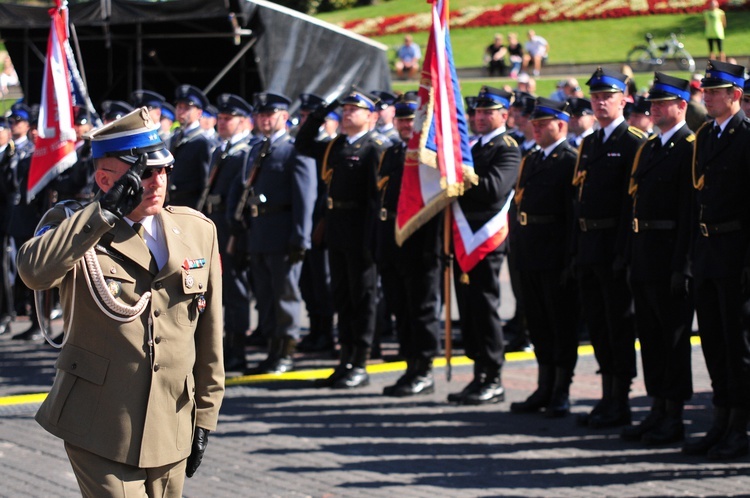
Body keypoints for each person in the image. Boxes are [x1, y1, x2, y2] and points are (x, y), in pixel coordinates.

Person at [16, 107, 225, 497]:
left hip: (172, 419)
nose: (157, 181)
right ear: (105, 178)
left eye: (163, 170)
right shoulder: (76, 226)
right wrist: (103, 212)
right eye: (144, 173)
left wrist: (206, 416)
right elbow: (34, 272)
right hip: (100, 421)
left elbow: (209, 333)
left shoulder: (196, 229)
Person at [295, 90, 389, 389]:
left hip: (362, 227)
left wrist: (373, 237)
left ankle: (360, 359)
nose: (347, 114)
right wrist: (324, 110)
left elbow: (377, 197)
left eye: (354, 109)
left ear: (370, 116)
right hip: (336, 226)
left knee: (362, 297)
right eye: (345, 109)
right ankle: (345, 358)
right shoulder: (336, 144)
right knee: (342, 295)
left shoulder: (376, 146)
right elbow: (303, 142)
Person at [620, 73, 695, 446]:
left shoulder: (688, 146)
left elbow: (688, 212)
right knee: (649, 336)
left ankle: (675, 415)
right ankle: (657, 407)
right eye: (652, 102)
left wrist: (682, 265)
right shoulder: (649, 147)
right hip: (645, 253)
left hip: (669, 256)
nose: (654, 107)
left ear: (682, 105)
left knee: (673, 338)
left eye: (663, 102)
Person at [682, 60, 750, 460]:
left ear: (735, 96)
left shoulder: (745, 137)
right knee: (713, 341)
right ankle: (721, 420)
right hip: (708, 253)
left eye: (714, 92)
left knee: (738, 344)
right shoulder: (706, 135)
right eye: (705, 91)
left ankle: (740, 426)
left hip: (736, 253)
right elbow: (697, 200)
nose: (706, 97)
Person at [572, 67, 647, 429]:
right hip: (589, 246)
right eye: (596, 97)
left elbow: (630, 204)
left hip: (615, 246)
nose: (600, 102)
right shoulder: (589, 142)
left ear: (624, 100)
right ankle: (606, 396)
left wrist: (624, 252)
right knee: (598, 325)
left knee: (619, 324)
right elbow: (579, 198)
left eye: (608, 97)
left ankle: (621, 399)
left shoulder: (633, 141)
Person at [229, 92, 316, 375]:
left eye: (270, 114)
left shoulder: (295, 150)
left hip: (283, 232)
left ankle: (285, 352)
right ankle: (270, 349)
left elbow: (305, 197)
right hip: (259, 232)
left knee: (285, 296)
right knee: (264, 296)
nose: (265, 120)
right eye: (261, 115)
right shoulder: (257, 149)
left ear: (283, 117)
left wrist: (301, 237)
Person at [447, 86, 521, 405]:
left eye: (487, 112)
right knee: (469, 308)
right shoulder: (472, 147)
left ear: (504, 115)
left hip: (485, 238)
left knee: (485, 308)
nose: (480, 117)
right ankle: (478, 372)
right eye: (477, 111)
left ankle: (493, 376)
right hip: (463, 235)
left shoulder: (507, 148)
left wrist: (459, 177)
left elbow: (492, 189)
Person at [509, 97, 578, 417]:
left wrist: (569, 260)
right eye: (533, 124)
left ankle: (561, 389)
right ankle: (544, 385)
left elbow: (571, 216)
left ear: (560, 125)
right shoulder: (532, 159)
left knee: (560, 324)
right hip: (529, 252)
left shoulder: (569, 160)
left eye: (542, 124)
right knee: (537, 323)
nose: (535, 129)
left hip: (554, 254)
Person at [376, 92, 442, 397]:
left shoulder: (429, 155)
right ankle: (409, 364)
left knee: (422, 309)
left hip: (421, 243)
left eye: (411, 118)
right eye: (401, 118)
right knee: (400, 308)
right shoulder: (391, 153)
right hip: (391, 241)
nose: (405, 124)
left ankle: (424, 368)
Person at [199, 93, 257, 373]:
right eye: (220, 118)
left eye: (228, 118)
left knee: (234, 289)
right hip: (214, 224)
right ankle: (220, 346)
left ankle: (237, 349)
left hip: (231, 228)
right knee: (214, 290)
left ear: (243, 121)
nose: (222, 123)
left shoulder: (246, 152)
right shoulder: (221, 150)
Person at [296, 93, 337, 354]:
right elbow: (302, 141)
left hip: (327, 223)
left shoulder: (334, 146)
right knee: (309, 284)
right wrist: (319, 116)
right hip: (311, 222)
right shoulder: (325, 147)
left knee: (324, 284)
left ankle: (327, 333)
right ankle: (316, 330)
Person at [7, 102, 41, 341]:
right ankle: (33, 320)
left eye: (18, 121)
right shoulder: (15, 151)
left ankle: (40, 321)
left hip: (33, 217)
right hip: (19, 218)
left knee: (37, 270)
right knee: (24, 271)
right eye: (12, 122)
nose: (14, 125)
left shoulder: (33, 150)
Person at [169, 84, 216, 209]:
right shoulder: (176, 137)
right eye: (179, 107)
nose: (181, 112)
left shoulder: (202, 141)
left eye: (186, 108)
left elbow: (205, 180)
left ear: (199, 113)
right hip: (172, 200)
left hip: (190, 203)